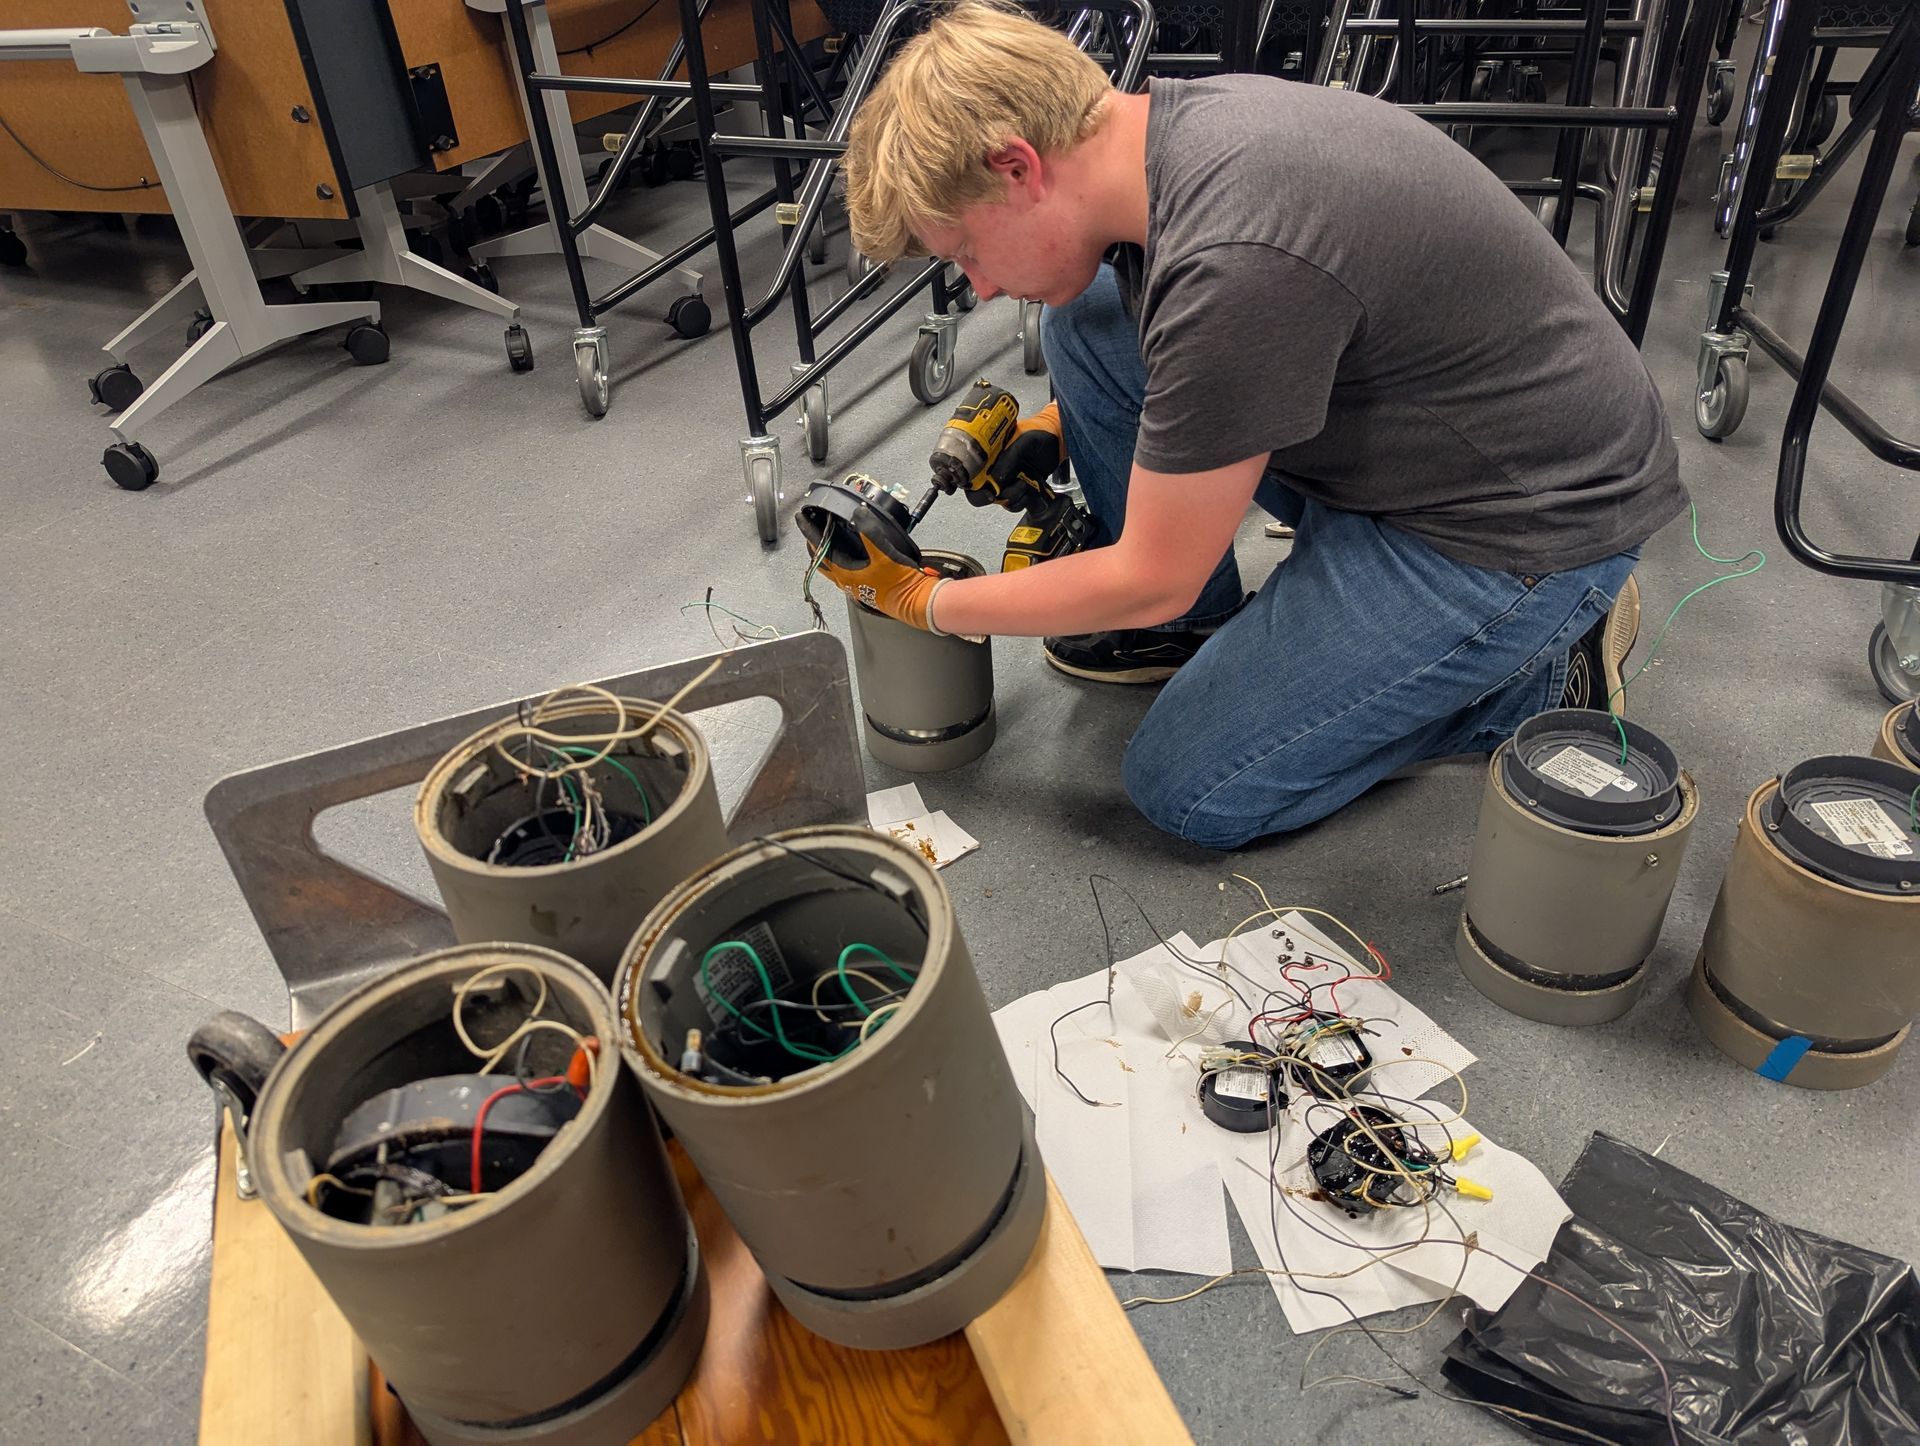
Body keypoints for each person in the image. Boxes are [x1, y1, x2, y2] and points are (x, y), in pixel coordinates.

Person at [821, 0, 1687, 849]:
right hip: (1440, 428)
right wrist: (1069, 417)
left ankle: (1525, 684)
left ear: (1016, 167)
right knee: (1084, 319)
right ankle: (1195, 628)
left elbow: (1151, 567)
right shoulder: (1169, 136)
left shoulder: (1236, 260)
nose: (976, 286)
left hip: (1513, 530)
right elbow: (1215, 344)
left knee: (1187, 786)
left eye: (965, 252)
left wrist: (931, 603)